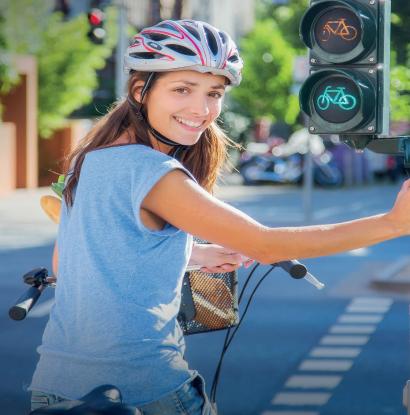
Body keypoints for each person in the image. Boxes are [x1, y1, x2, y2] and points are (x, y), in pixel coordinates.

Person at [28, 19, 410, 415]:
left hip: (56, 389)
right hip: (144, 391)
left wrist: (190, 254)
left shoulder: (90, 161)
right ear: (142, 90)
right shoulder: (151, 171)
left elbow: (70, 261)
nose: (201, 109)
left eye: (214, 93)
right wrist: (393, 223)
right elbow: (265, 244)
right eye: (182, 89)